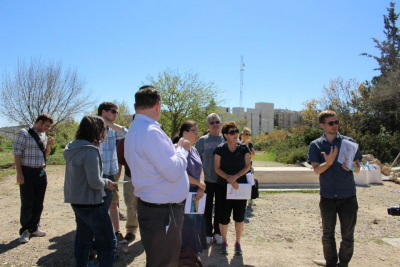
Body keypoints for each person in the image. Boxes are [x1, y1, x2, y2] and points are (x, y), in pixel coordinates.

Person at [124, 85, 190, 267]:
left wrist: (175, 151)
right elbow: (173, 172)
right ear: (158, 106)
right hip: (163, 212)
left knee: (158, 259)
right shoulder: (150, 132)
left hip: (155, 209)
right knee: (165, 261)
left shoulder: (135, 130)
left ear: (135, 105)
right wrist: (183, 150)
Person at [308, 110, 362, 267]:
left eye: (336, 122)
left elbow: (358, 168)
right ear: (322, 125)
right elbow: (317, 169)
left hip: (348, 196)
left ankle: (343, 263)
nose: (335, 126)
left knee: (348, 234)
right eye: (331, 123)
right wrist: (329, 162)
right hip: (328, 197)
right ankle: (331, 263)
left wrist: (352, 166)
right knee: (327, 234)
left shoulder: (348, 142)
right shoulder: (316, 145)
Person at [64, 116, 117, 267]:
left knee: (83, 239)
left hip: (77, 202)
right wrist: (107, 183)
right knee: (109, 243)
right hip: (91, 204)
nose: (104, 134)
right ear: (97, 130)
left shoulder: (72, 147)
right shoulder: (90, 151)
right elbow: (95, 182)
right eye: (103, 130)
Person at [14, 113, 55, 243]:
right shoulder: (24, 133)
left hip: (41, 172)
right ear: (40, 122)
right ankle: (25, 230)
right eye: (46, 126)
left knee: (39, 202)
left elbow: (45, 154)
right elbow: (17, 154)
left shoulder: (43, 135)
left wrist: (48, 145)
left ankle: (34, 228)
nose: (47, 129)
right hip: (27, 172)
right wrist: (19, 173)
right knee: (27, 203)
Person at [214, 121, 251, 255]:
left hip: (240, 187)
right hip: (223, 187)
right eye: (232, 132)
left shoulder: (243, 148)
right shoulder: (220, 148)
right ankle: (224, 241)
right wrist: (229, 179)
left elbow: (247, 166)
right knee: (223, 217)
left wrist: (235, 177)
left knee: (239, 217)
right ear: (225, 135)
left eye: (236, 131)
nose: (235, 134)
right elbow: (217, 168)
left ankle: (238, 242)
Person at [173, 120, 207, 254]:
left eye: (198, 131)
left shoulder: (194, 149)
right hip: (184, 193)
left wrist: (201, 187)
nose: (197, 134)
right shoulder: (176, 149)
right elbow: (181, 174)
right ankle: (187, 256)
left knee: (196, 224)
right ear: (184, 133)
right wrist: (199, 184)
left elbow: (201, 169)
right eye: (194, 131)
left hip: (196, 193)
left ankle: (193, 255)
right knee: (187, 226)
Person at [98, 102, 128, 242]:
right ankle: (99, 235)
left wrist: (109, 124)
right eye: (113, 111)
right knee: (98, 205)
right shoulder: (92, 127)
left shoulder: (112, 129)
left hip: (111, 173)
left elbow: (126, 133)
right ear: (104, 112)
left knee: (113, 202)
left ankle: (116, 232)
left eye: (116, 112)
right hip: (96, 173)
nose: (116, 114)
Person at [195, 113, 224, 245]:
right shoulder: (202, 140)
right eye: (211, 123)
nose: (215, 125)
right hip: (206, 180)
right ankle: (207, 233)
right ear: (207, 126)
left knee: (220, 207)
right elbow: (196, 161)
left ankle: (217, 232)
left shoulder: (225, 139)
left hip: (221, 180)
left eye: (217, 122)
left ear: (221, 124)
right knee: (205, 208)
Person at [116, 136, 139, 242]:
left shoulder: (152, 137)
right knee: (130, 204)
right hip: (130, 177)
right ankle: (131, 229)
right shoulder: (124, 141)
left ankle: (148, 230)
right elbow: (119, 162)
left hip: (150, 177)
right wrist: (116, 181)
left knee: (149, 205)